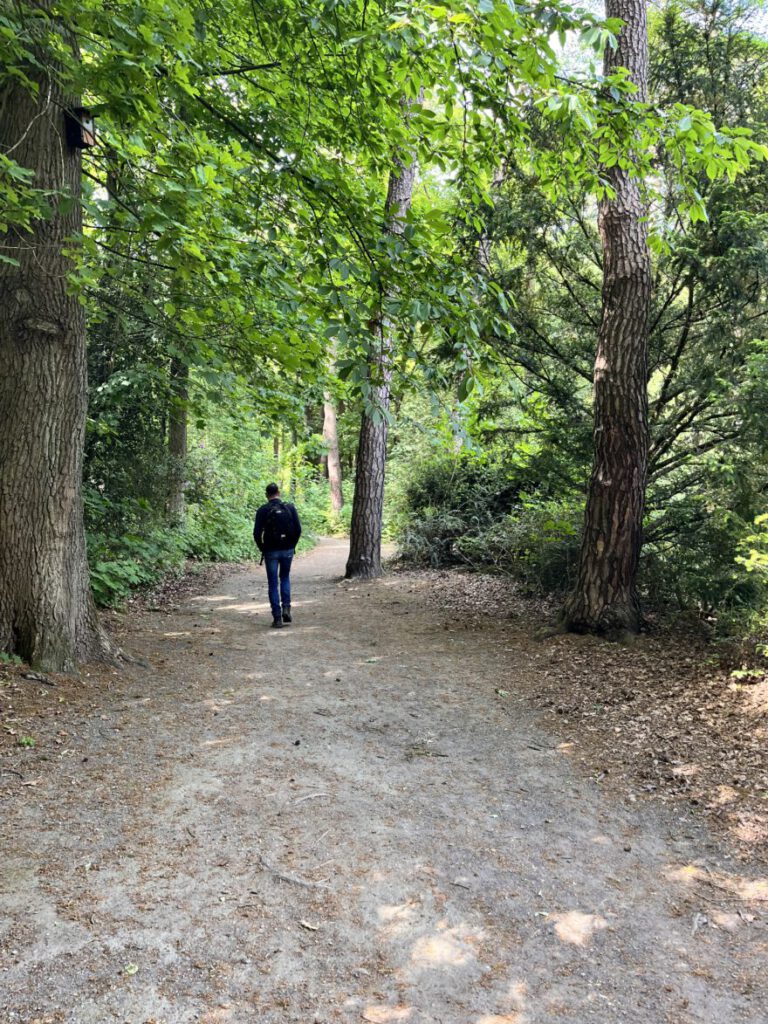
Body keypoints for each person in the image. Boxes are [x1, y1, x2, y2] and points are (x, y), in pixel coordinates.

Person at [253, 483, 302, 628]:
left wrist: (263, 548)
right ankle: (286, 608)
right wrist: (292, 545)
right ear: (278, 493)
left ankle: (277, 617)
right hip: (287, 549)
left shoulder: (263, 510)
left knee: (273, 583)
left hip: (270, 551)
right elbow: (298, 530)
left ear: (266, 495)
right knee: (285, 578)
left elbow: (256, 534)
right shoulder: (289, 508)